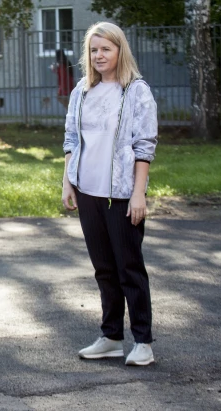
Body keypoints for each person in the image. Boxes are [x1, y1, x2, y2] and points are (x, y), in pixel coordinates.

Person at [61, 22, 158, 366]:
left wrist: (138, 194)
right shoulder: (81, 92)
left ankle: (143, 341)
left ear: (120, 51)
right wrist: (67, 181)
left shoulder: (136, 91)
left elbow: (144, 146)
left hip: (121, 196)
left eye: (106, 49)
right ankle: (112, 336)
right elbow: (71, 139)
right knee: (103, 268)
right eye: (93, 50)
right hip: (88, 192)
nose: (99, 56)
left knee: (129, 268)